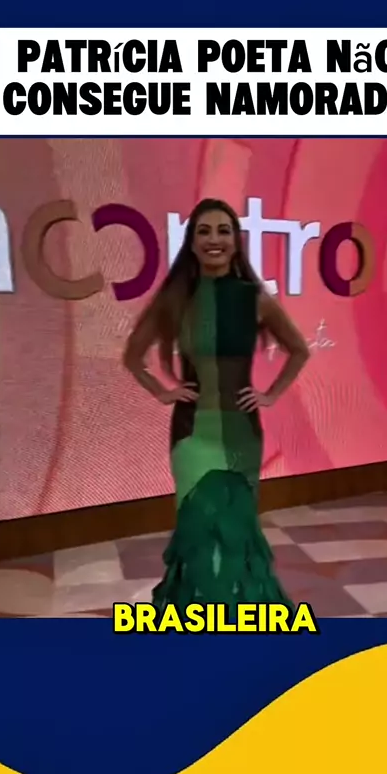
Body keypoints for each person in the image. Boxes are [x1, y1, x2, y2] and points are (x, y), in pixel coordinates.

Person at [123, 198, 310, 616]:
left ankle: (238, 615)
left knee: (237, 529)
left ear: (235, 241)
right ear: (191, 242)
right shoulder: (175, 298)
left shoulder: (255, 298)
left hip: (242, 432)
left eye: (223, 231)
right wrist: (162, 391)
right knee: (197, 529)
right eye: (203, 231)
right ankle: (196, 615)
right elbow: (133, 356)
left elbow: (299, 350)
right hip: (191, 435)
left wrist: (270, 394)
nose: (214, 239)